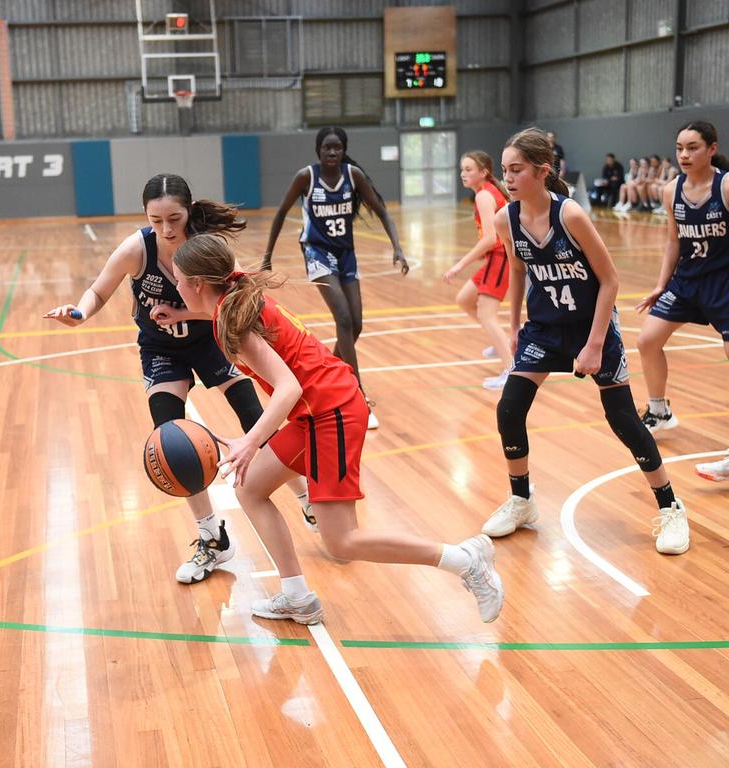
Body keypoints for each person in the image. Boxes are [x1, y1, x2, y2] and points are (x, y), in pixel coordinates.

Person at [168, 233, 504, 625]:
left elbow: (288, 388)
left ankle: (466, 560)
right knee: (250, 488)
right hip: (319, 411)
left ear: (197, 284)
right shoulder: (234, 296)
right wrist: (182, 315)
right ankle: (296, 595)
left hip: (333, 415)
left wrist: (249, 441)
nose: (176, 288)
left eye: (179, 280)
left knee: (342, 541)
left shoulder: (235, 323)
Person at [44, 173, 315, 585]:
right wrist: (79, 313)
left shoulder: (207, 247)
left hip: (213, 340)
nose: (167, 230)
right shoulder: (138, 249)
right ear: (145, 217)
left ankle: (305, 497)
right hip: (161, 349)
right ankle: (213, 536)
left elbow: (239, 299)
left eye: (174, 218)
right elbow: (98, 292)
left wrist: (187, 315)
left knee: (255, 418)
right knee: (173, 441)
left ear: (189, 211)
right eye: (156, 220)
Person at [481, 127, 689, 554]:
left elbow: (610, 280)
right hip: (543, 328)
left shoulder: (570, 214)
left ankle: (671, 506)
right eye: (504, 171)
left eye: (516, 170)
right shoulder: (507, 219)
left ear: (542, 172)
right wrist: (516, 322)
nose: (509, 178)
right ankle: (522, 500)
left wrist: (595, 343)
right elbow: (519, 269)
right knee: (510, 408)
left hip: (590, 326)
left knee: (624, 421)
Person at [262, 126, 409, 430]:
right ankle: (358, 396)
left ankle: (325, 373)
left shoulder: (353, 176)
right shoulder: (306, 177)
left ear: (344, 150)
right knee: (342, 317)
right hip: (316, 252)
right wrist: (267, 257)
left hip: (346, 254)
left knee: (355, 325)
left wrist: (397, 247)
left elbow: (381, 210)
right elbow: (279, 214)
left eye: (337, 148)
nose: (332, 153)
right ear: (318, 150)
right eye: (327, 148)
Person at [635, 121, 729, 483]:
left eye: (692, 147)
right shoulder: (671, 190)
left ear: (711, 149)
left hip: (722, 283)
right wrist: (661, 284)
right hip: (687, 281)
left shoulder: (725, 185)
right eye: (679, 148)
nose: (684, 155)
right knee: (647, 340)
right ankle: (659, 411)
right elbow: (674, 241)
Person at [443, 150, 513, 390]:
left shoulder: (484, 196)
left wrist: (459, 264)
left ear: (483, 172)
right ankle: (500, 339)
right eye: (462, 169)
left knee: (486, 314)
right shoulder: (487, 193)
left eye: (469, 169)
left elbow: (490, 239)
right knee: (464, 299)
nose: (463, 174)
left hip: (501, 257)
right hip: (496, 257)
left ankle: (510, 371)